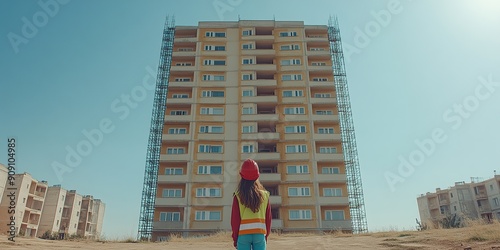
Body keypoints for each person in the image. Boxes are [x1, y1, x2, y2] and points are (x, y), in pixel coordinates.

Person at [231, 159, 272, 250]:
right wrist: (265, 236)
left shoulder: (238, 196)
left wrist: (235, 239)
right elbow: (268, 219)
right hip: (259, 234)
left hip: (243, 235)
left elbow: (235, 220)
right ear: (257, 176)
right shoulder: (265, 195)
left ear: (242, 176)